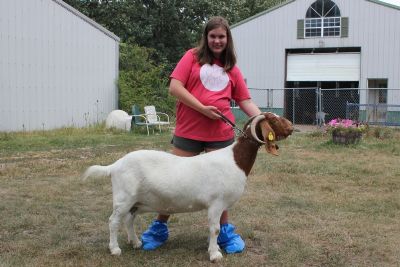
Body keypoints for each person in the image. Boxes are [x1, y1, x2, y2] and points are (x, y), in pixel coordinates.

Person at [141, 16, 262, 254]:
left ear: (228, 39)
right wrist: (203, 109)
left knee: (222, 187)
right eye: (213, 36)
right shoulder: (191, 58)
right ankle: (158, 228)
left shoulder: (232, 69)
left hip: (220, 134)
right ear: (206, 38)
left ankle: (224, 233)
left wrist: (264, 119)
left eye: (222, 37)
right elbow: (175, 87)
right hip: (189, 131)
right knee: (172, 182)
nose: (217, 41)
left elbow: (244, 100)